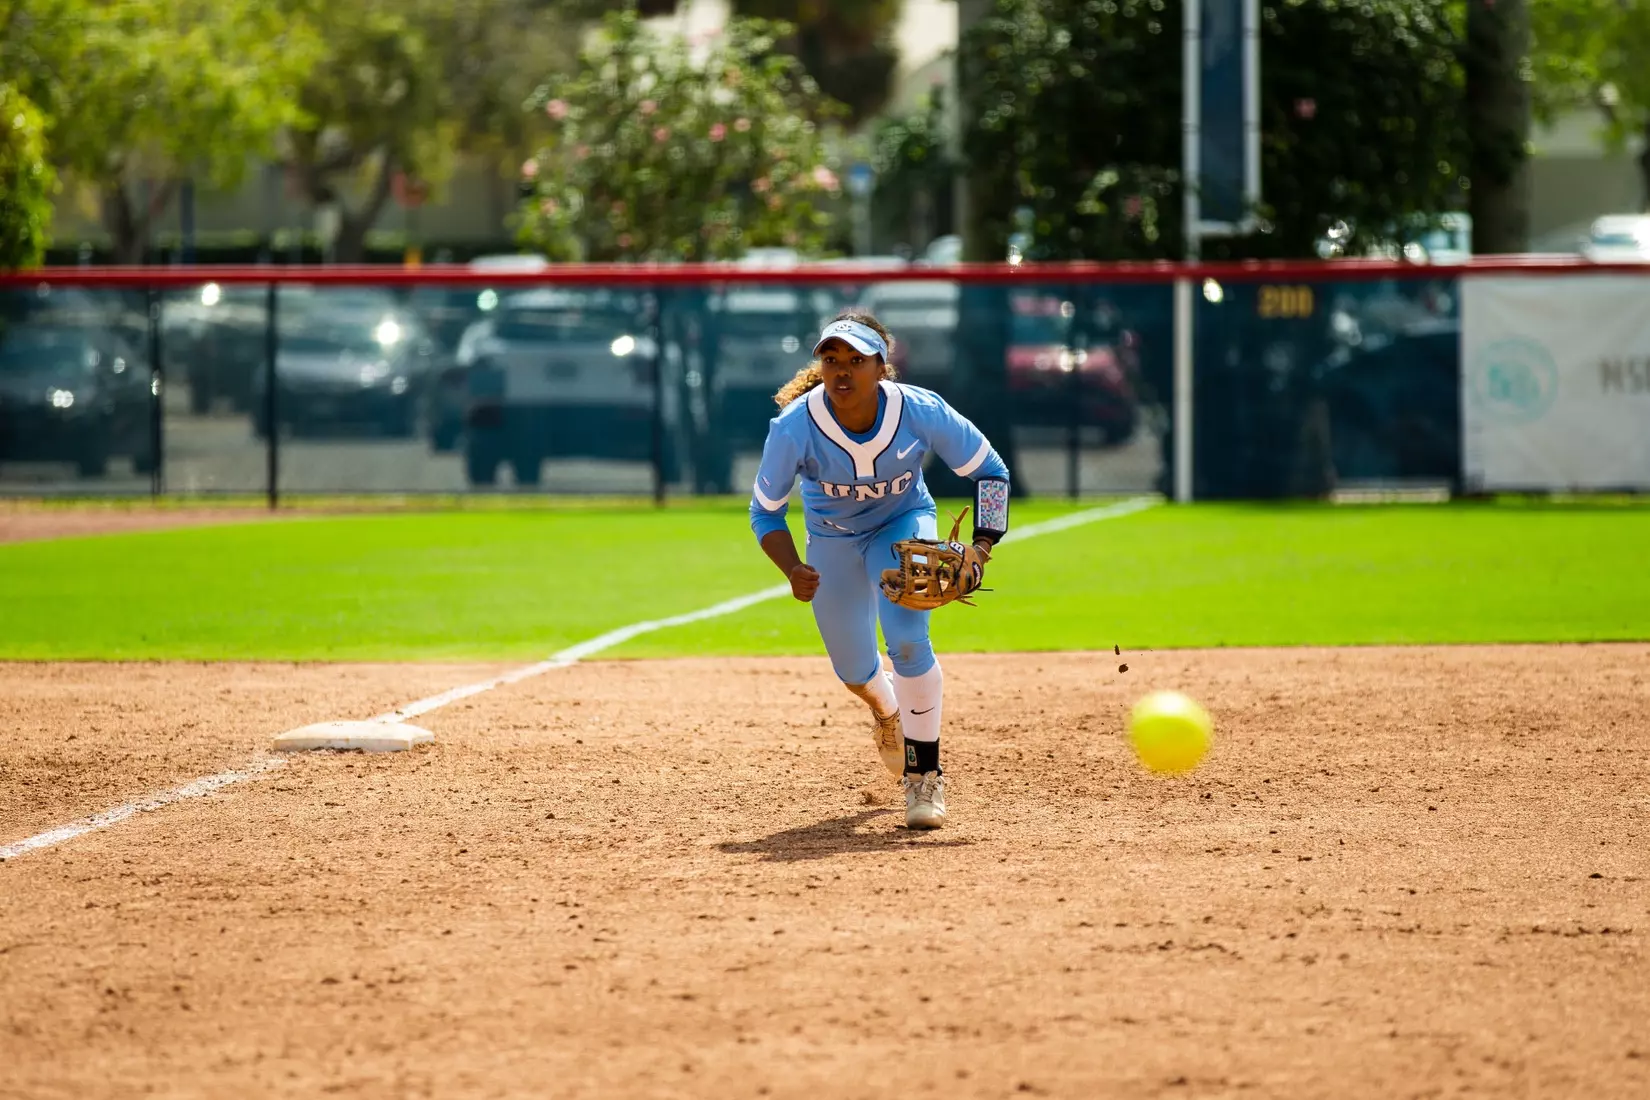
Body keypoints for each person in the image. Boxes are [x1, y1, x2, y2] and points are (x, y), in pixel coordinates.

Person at [748, 310, 1011, 829]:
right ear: (819, 365)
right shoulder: (796, 426)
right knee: (853, 670)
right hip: (831, 543)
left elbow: (990, 472)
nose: (842, 370)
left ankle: (924, 776)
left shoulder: (918, 409)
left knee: (908, 638)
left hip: (903, 524)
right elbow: (765, 510)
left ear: (880, 367)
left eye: (856, 360)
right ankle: (887, 711)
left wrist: (981, 547)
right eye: (831, 359)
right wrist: (792, 567)